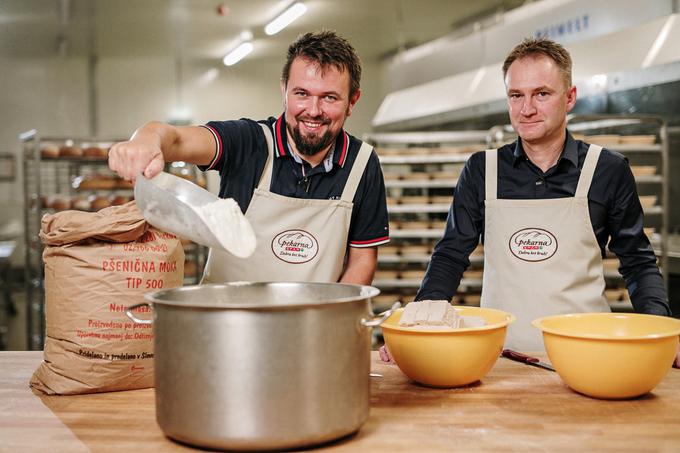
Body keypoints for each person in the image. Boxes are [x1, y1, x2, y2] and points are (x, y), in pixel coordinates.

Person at [395, 37, 678, 365]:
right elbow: (449, 256)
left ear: (569, 97)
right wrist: (415, 324)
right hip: (501, 359)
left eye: (541, 94)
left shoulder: (607, 170)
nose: (526, 109)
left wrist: (663, 332)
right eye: (516, 95)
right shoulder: (481, 171)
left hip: (586, 356)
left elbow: (638, 262)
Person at [108, 30, 389, 285]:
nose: (313, 110)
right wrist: (146, 139)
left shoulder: (362, 164)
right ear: (284, 90)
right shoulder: (248, 142)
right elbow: (175, 138)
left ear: (352, 101)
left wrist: (330, 324)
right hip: (225, 327)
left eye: (329, 97)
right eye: (301, 94)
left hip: (310, 330)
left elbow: (362, 259)